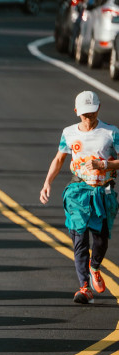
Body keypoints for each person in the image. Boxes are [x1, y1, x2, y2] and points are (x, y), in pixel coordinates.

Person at [40, 90, 119, 304]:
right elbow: (59, 159)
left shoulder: (111, 132)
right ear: (76, 111)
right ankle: (84, 288)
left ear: (99, 108)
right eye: (85, 114)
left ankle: (95, 267)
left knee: (101, 239)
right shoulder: (69, 133)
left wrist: (104, 164)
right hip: (78, 190)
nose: (89, 117)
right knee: (79, 238)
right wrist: (47, 183)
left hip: (103, 191)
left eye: (92, 112)